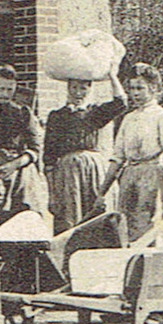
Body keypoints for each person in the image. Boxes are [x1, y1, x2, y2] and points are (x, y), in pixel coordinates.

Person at [103, 63, 163, 241]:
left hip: (154, 178)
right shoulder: (128, 118)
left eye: (140, 88)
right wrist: (102, 192)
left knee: (152, 228)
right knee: (127, 227)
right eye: (132, 88)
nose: (135, 93)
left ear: (154, 88)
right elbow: (117, 158)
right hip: (129, 179)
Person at [44, 64, 126, 231]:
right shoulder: (57, 116)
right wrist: (52, 192)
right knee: (70, 213)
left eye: (83, 88)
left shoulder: (95, 113)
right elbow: (49, 156)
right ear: (68, 89)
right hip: (67, 172)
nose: (78, 93)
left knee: (95, 210)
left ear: (89, 89)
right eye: (74, 88)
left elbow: (121, 103)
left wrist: (112, 75)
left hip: (93, 170)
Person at [0, 64, 47, 217]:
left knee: (25, 178)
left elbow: (35, 149)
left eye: (10, 89)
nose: (5, 94)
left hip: (17, 164)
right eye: (2, 89)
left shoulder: (23, 113)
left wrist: (14, 164)